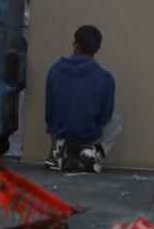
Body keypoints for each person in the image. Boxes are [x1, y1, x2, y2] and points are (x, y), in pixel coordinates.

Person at [45, 25, 117, 174]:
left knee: (57, 120)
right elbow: (105, 116)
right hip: (88, 134)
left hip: (60, 131)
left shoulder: (54, 70)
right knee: (117, 120)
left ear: (75, 44)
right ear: (97, 49)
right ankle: (89, 153)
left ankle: (59, 151)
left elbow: (49, 112)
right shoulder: (105, 78)